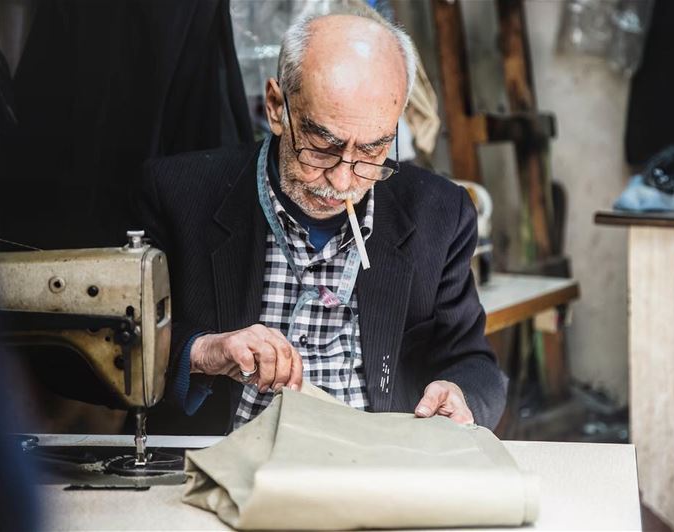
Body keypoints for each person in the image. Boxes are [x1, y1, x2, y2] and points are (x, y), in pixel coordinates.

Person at [136, 10, 506, 435]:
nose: (343, 179)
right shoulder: (180, 194)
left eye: (372, 151)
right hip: (226, 468)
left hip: (375, 470)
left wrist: (459, 394)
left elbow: (474, 362)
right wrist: (203, 351)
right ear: (277, 108)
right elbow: (120, 345)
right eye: (321, 146)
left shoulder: (440, 214)